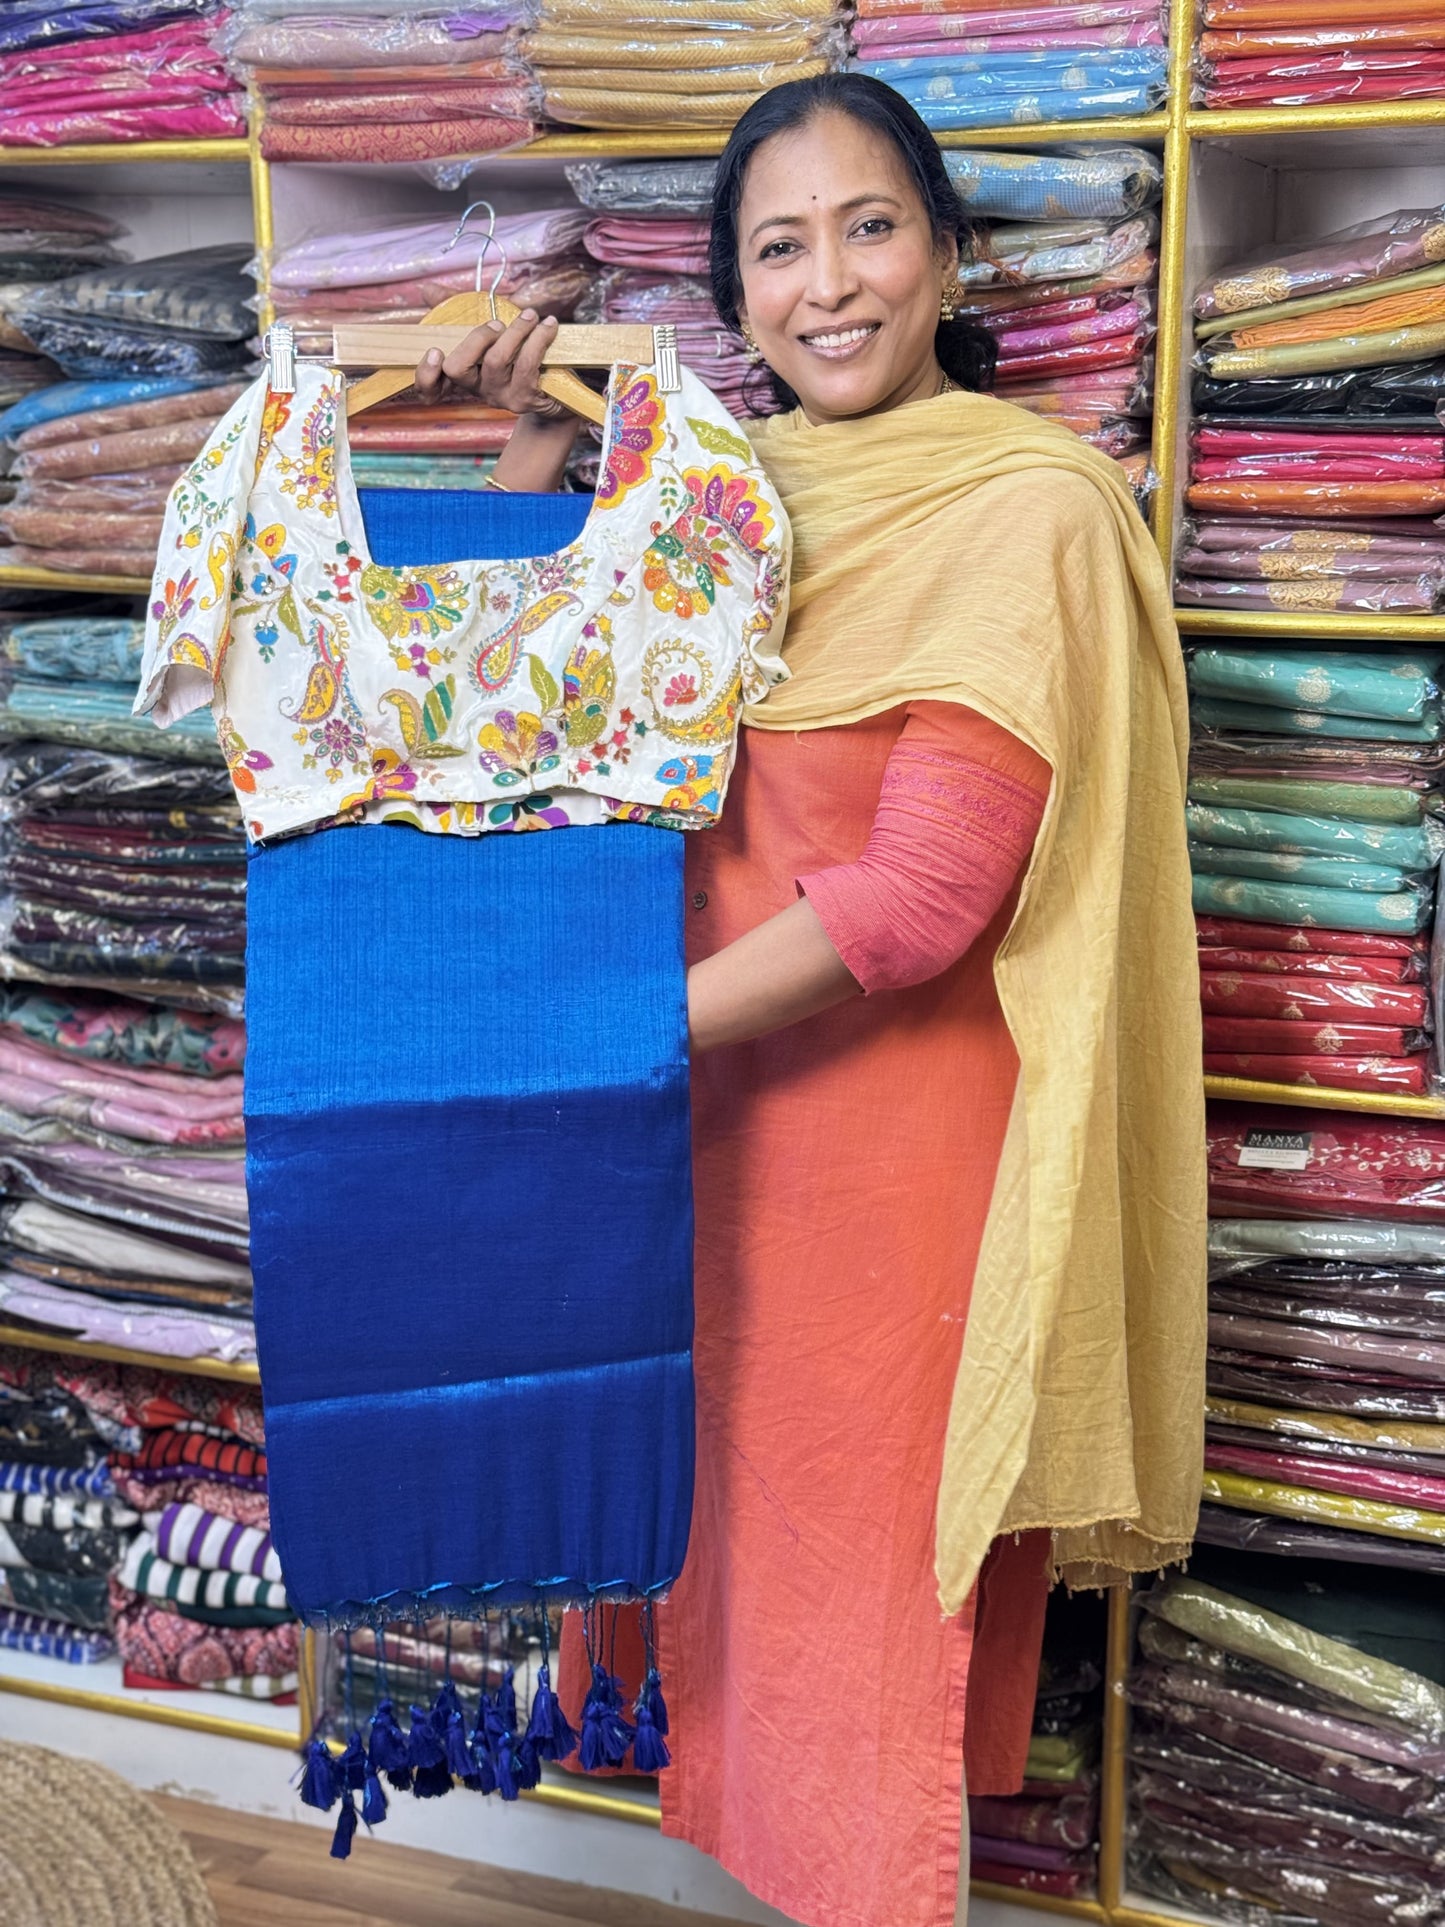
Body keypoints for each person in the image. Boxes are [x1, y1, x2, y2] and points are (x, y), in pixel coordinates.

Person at [415, 72, 1205, 1927]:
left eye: (869, 228)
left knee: (862, 1595)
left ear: (942, 253)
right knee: (722, 1564)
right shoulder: (710, 496)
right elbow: (519, 723)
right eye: (779, 246)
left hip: (891, 1151)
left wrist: (609, 1034)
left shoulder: (1032, 506)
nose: (827, 283)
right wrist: (533, 444)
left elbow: (926, 894)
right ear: (732, 289)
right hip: (695, 1126)